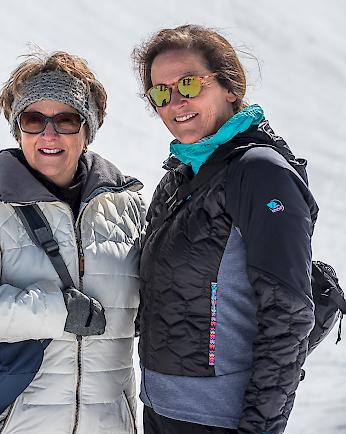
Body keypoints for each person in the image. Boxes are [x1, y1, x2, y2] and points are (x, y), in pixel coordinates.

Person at [0, 51, 146, 433]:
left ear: (87, 129)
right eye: (33, 120)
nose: (49, 134)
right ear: (17, 129)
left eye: (66, 120)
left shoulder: (127, 208)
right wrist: (55, 313)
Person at [132, 25, 318, 434]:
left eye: (188, 83)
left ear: (230, 86)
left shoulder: (259, 172)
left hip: (220, 421)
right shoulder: (182, 174)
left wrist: (259, 428)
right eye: (160, 93)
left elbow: (287, 315)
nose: (175, 101)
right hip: (160, 410)